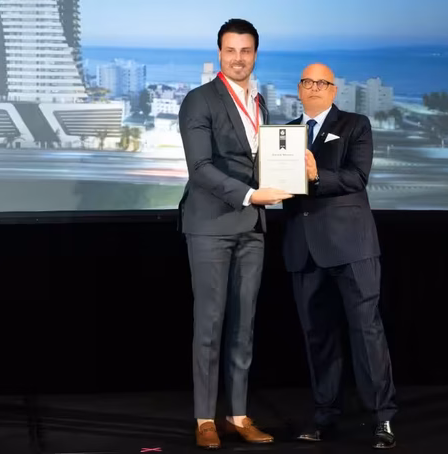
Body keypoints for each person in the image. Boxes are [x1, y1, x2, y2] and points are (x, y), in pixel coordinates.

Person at [178, 18, 290, 450]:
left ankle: (238, 415)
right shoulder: (199, 100)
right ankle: (205, 419)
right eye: (230, 50)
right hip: (211, 226)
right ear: (219, 54)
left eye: (246, 51)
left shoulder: (260, 103)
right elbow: (200, 169)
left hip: (252, 227)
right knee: (209, 325)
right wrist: (250, 195)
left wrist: (291, 176)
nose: (238, 59)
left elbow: (264, 161)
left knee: (244, 326)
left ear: (255, 54)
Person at [282, 63, 398, 449]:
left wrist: (317, 175)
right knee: (318, 337)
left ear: (334, 91)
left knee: (366, 332)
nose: (314, 87)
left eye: (322, 83)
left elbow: (357, 178)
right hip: (303, 248)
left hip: (351, 247)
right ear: (299, 89)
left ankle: (382, 419)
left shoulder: (355, 125)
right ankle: (325, 416)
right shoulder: (285, 133)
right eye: (307, 81)